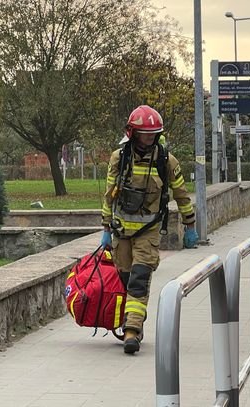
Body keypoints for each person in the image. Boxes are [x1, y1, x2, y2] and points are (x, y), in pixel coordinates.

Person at [100, 105, 198, 354]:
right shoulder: (118, 158)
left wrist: (190, 224)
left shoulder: (166, 160)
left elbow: (182, 195)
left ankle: (131, 331)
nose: (148, 139)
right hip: (121, 232)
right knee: (124, 279)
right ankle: (132, 322)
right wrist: (105, 227)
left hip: (148, 232)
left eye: (152, 134)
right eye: (144, 134)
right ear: (132, 132)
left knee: (139, 280)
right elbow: (109, 195)